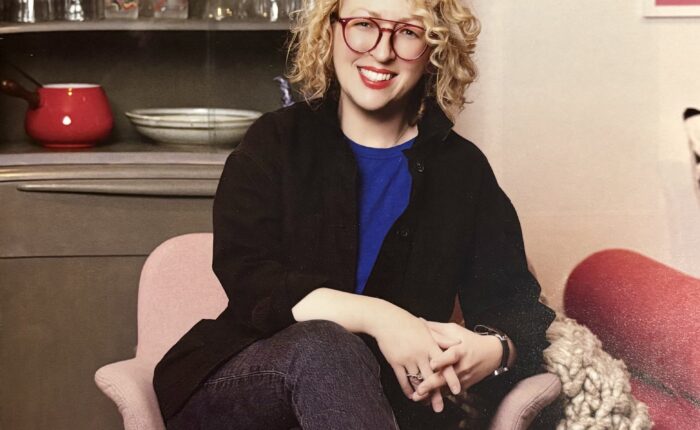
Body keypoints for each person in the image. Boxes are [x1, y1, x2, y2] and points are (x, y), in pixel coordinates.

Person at [153, 0, 556, 428]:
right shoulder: (274, 142)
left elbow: (518, 306)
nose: (381, 52)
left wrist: (492, 349)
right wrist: (382, 317)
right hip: (243, 385)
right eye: (363, 24)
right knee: (325, 345)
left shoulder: (462, 170)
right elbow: (250, 278)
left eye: (408, 32)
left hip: (382, 405)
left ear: (435, 48)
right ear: (329, 31)